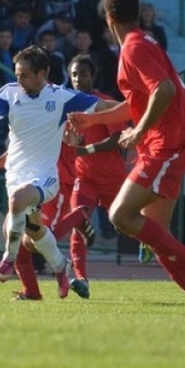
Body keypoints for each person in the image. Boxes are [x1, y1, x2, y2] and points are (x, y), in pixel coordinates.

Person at [68, 0, 185, 318]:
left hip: (166, 144)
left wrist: (139, 131)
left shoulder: (133, 47)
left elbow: (163, 90)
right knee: (158, 239)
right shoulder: (144, 42)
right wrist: (93, 119)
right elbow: (137, 103)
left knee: (120, 216)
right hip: (164, 144)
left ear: (109, 19)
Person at [0, 45, 106, 298]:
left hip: (46, 177)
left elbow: (104, 106)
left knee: (18, 202)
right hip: (15, 175)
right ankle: (60, 267)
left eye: (24, 75)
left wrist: (139, 107)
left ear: (41, 74)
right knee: (32, 232)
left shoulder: (60, 97)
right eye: (17, 74)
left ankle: (7, 260)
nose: (19, 79)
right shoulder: (9, 93)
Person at [63, 54, 127, 299]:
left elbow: (117, 139)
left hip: (112, 178)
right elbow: (69, 141)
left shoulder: (104, 103)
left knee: (129, 225)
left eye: (84, 74)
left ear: (93, 76)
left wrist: (85, 149)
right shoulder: (67, 106)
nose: (79, 79)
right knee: (78, 221)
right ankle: (81, 279)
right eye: (74, 75)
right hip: (84, 178)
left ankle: (156, 244)